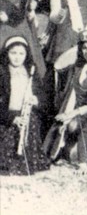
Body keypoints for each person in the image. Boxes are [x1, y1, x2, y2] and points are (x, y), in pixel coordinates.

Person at [44, 29, 87, 162]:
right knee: (66, 127)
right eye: (84, 48)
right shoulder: (76, 70)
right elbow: (70, 94)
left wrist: (71, 114)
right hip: (75, 112)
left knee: (75, 126)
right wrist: (67, 115)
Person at [0, 36, 51, 175]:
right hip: (6, 116)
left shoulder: (30, 71)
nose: (17, 57)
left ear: (26, 55)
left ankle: (28, 159)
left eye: (21, 53)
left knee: (31, 125)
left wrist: (36, 99)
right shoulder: (2, 72)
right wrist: (12, 118)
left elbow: (42, 95)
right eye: (13, 53)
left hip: (25, 114)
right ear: (6, 53)